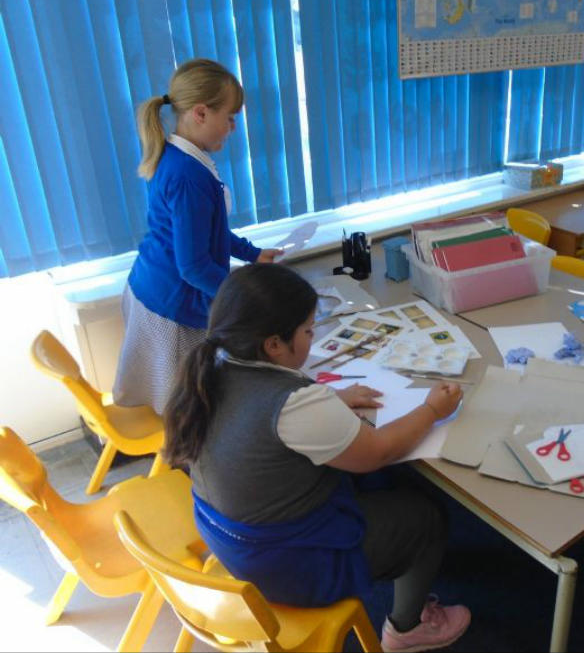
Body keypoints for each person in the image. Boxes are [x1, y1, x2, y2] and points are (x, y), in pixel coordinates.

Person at [162, 263, 471, 652]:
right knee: (426, 515)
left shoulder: (214, 366)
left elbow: (262, 418)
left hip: (229, 538)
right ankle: (406, 630)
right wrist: (432, 410)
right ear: (274, 345)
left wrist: (330, 401)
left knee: (373, 482)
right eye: (308, 331)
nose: (313, 337)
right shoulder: (293, 405)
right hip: (285, 566)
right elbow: (378, 452)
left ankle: (401, 564)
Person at [113, 58, 283, 414]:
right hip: (170, 304)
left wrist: (251, 254)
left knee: (193, 397)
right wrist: (240, 297)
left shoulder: (182, 157)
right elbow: (192, 267)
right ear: (201, 113)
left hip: (154, 285)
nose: (233, 128)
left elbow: (208, 230)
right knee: (188, 406)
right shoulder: (188, 174)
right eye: (230, 118)